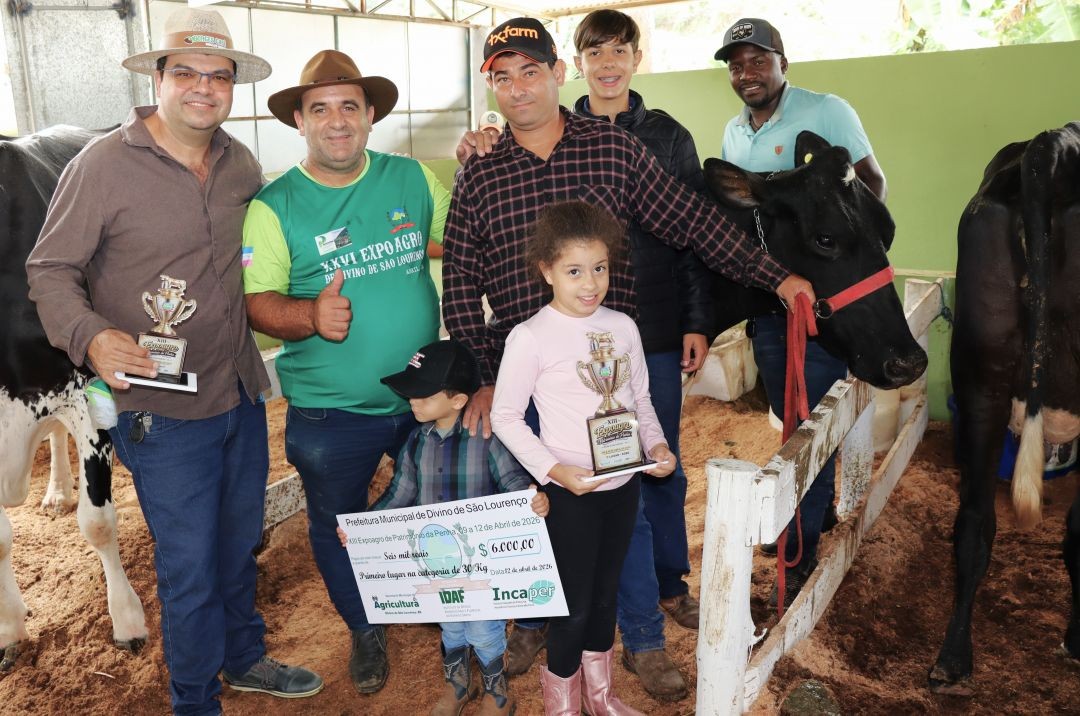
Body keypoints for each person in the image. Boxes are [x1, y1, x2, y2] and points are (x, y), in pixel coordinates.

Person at [448, 15, 813, 679]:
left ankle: (644, 640)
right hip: (526, 381)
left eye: (531, 71)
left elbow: (693, 221)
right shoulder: (480, 175)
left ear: (558, 73)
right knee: (532, 506)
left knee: (629, 508)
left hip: (607, 380)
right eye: (503, 78)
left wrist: (776, 277)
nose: (518, 88)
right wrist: (482, 377)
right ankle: (536, 623)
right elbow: (459, 283)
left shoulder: (613, 150)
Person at [25, 8, 323, 714]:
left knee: (238, 543)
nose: (203, 87)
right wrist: (92, 336)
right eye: (186, 72)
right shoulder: (102, 166)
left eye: (218, 76)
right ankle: (195, 700)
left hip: (239, 392)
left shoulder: (240, 164)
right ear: (158, 78)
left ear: (232, 87)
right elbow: (49, 269)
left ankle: (244, 659)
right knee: (189, 567)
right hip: (159, 411)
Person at [241, 49, 451, 694]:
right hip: (332, 412)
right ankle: (364, 626)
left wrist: (486, 159)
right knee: (340, 527)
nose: (337, 121)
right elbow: (257, 303)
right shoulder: (272, 207)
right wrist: (310, 315)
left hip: (425, 398)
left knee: (439, 507)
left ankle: (441, 607)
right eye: (321, 109)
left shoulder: (412, 178)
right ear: (299, 120)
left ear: (370, 115)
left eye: (349, 107)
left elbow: (460, 234)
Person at [714, 18, 888, 606]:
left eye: (758, 61)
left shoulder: (827, 111)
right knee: (790, 416)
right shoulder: (734, 132)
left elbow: (872, 185)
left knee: (806, 423)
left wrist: (841, 269)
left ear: (782, 62)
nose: (747, 73)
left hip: (821, 308)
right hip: (767, 302)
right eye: (736, 65)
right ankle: (810, 514)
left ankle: (801, 547)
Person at [491, 200, 676, 715]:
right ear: (546, 271)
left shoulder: (623, 326)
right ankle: (562, 708)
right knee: (571, 609)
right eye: (574, 271)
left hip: (622, 484)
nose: (590, 283)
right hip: (570, 494)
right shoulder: (530, 337)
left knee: (604, 597)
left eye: (600, 268)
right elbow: (505, 416)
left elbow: (640, 400)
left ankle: (600, 697)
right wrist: (554, 472)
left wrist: (656, 446)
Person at [334, 338, 549, 716]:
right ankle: (459, 685)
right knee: (451, 627)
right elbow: (400, 493)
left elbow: (513, 483)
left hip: (481, 564)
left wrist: (532, 499)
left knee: (483, 628)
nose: (412, 400)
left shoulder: (488, 439)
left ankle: (498, 693)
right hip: (435, 562)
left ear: (459, 400)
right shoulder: (416, 443)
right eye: (412, 392)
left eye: (424, 394)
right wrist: (365, 527)